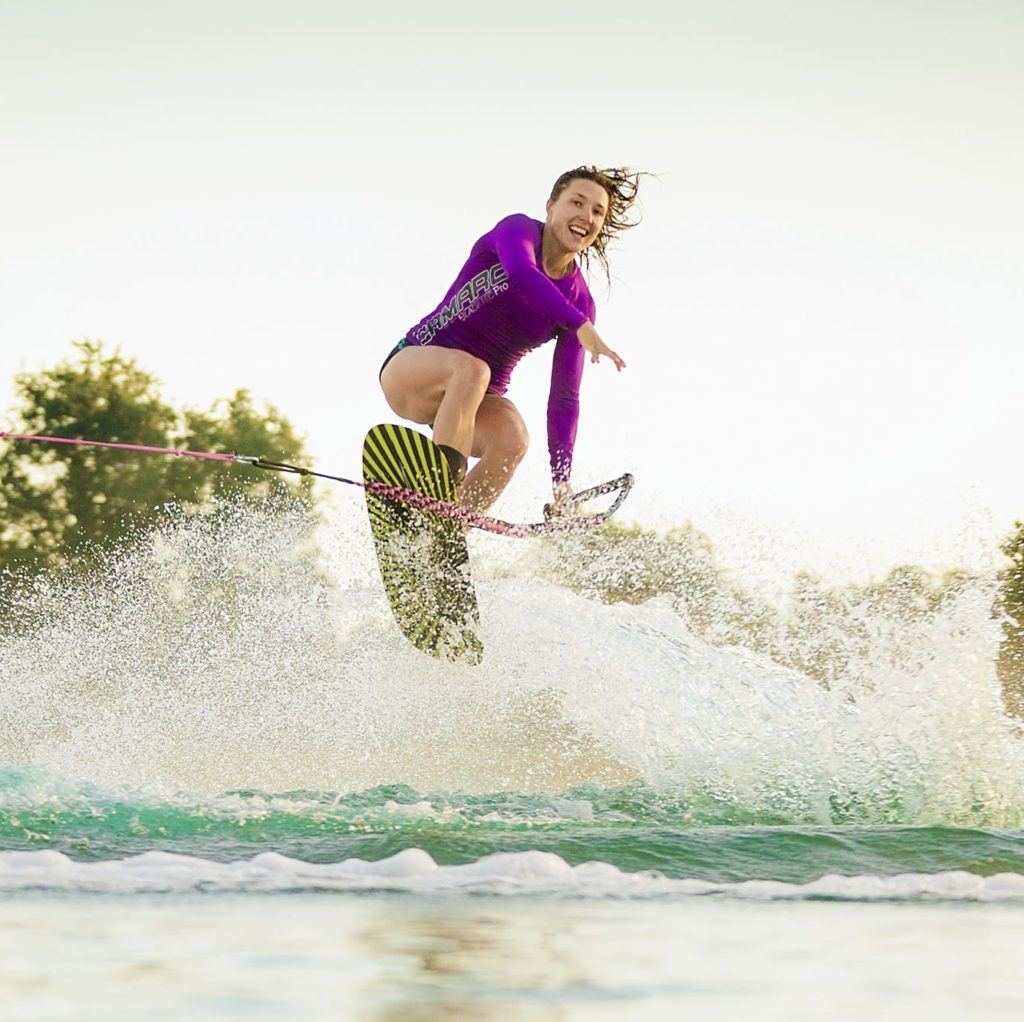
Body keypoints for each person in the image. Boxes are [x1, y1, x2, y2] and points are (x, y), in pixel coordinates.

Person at [379, 165, 642, 515]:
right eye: (576, 203)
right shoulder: (517, 231)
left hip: (470, 405)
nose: (586, 216)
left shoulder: (580, 303)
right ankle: (441, 499)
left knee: (513, 438)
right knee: (472, 370)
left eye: (597, 211)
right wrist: (579, 323)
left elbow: (564, 397)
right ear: (550, 207)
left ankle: (442, 536)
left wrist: (562, 483)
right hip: (412, 370)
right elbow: (521, 273)